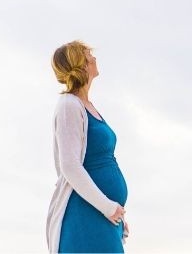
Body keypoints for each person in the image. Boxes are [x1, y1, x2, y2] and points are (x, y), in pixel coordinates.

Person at [46, 40, 130, 253]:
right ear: (81, 63)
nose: (94, 57)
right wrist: (108, 207)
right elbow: (70, 166)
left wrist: (116, 214)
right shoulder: (68, 105)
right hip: (85, 215)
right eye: (88, 54)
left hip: (102, 215)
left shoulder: (87, 106)